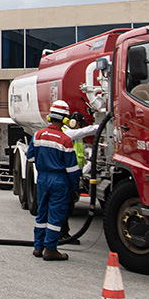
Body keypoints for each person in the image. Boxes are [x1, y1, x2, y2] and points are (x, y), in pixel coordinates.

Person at [27, 100, 98, 261]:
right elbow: (72, 169)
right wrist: (75, 187)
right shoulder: (65, 139)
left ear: (50, 116)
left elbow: (30, 157)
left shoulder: (37, 135)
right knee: (56, 216)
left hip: (43, 179)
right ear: (66, 118)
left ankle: (38, 247)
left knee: (42, 214)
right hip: (59, 181)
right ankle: (51, 249)